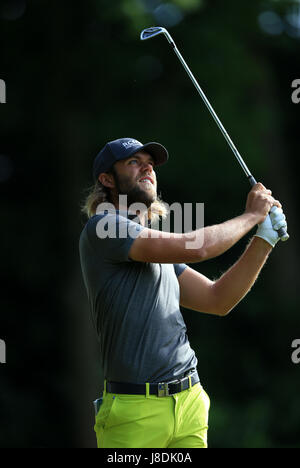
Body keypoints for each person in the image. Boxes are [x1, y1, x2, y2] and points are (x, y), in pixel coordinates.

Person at [79, 137, 287, 449]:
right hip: (134, 411)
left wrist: (264, 239)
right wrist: (251, 216)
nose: (148, 167)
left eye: (150, 163)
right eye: (134, 162)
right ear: (106, 180)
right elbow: (199, 246)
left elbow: (218, 299)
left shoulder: (157, 252)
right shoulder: (103, 227)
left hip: (189, 402)